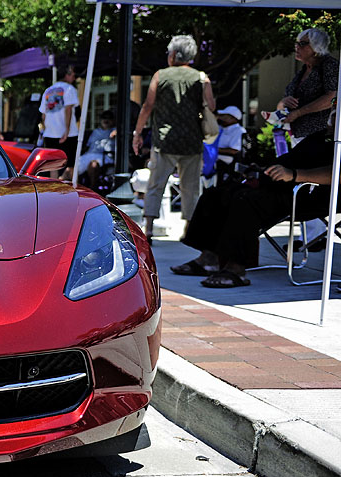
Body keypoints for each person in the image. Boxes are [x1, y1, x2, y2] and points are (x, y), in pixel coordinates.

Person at [169, 121, 336, 288]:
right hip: (283, 184)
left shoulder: (338, 142)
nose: (332, 116)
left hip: (310, 194)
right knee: (216, 194)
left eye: (336, 112)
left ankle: (237, 268)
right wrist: (265, 169)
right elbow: (294, 159)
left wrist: (294, 175)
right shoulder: (320, 136)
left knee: (245, 200)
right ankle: (209, 258)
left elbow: (337, 174)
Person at [133, 35, 215, 241]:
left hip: (164, 139)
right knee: (190, 187)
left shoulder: (160, 75)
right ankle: (188, 229)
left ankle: (149, 228)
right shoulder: (201, 77)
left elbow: (148, 105)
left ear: (174, 54)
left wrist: (138, 132)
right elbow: (211, 106)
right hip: (192, 140)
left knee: (155, 184)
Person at [267, 28, 339, 144]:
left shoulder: (329, 66)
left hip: (318, 135)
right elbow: (282, 104)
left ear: (317, 47)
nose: (297, 46)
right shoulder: (304, 69)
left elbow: (332, 97)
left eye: (302, 43)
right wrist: (284, 102)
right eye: (296, 43)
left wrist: (298, 113)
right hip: (297, 134)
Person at [40, 65, 79, 179]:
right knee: (71, 163)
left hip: (50, 133)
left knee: (53, 165)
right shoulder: (69, 89)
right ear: (67, 75)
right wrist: (66, 130)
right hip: (68, 133)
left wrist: (46, 128)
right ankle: (71, 187)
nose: (74, 77)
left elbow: (43, 114)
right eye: (73, 75)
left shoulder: (48, 90)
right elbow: (68, 109)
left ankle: (55, 189)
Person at [78, 109, 116, 190]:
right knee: (70, 170)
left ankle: (92, 189)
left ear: (113, 120)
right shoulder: (95, 131)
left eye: (109, 118)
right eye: (104, 118)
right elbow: (88, 146)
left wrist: (116, 131)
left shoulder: (115, 130)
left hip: (105, 156)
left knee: (93, 165)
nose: (106, 120)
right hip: (89, 154)